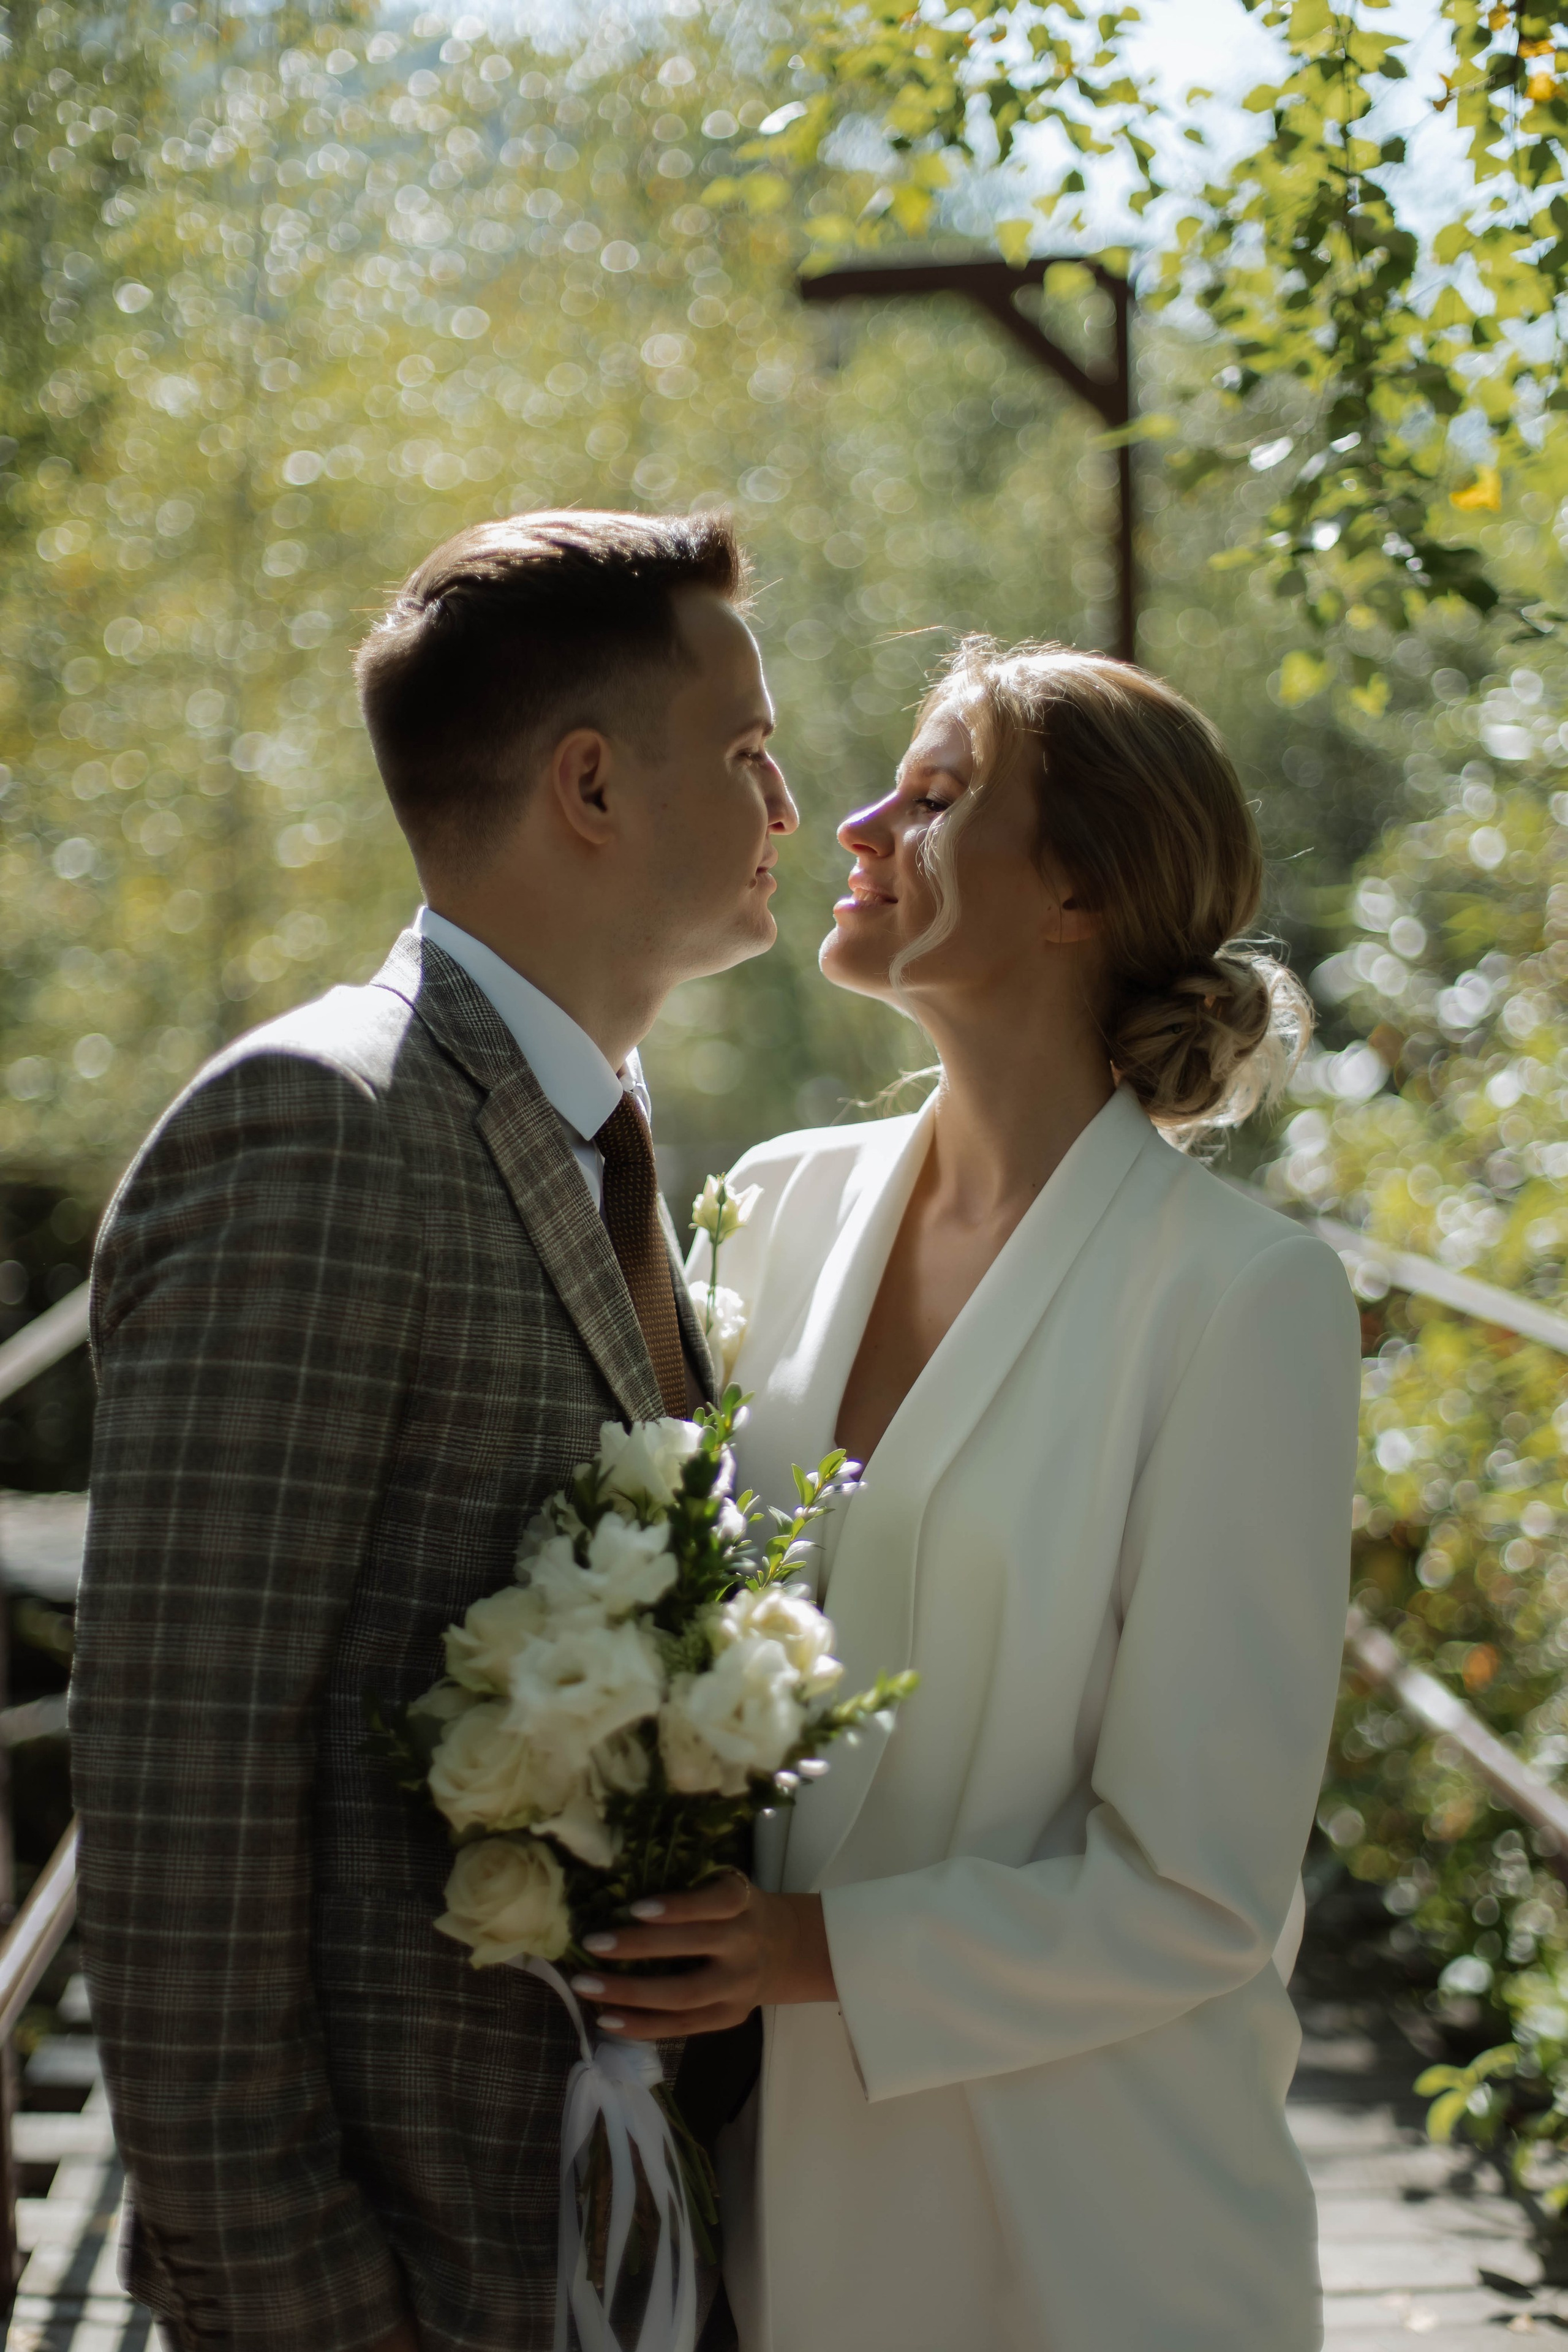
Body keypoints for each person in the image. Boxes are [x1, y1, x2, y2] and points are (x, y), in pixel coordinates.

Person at [564, 639, 1362, 2351]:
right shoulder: (769, 1208)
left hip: (1097, 2230)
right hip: (776, 2213)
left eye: (935, 798)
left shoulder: (1241, 1301)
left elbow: (1204, 1890)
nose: (856, 823)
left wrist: (800, 1950)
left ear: (1079, 888)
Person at [70, 509, 796, 2352]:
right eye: (746, 755)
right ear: (589, 786)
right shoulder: (318, 1134)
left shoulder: (596, 1137)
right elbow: (181, 1802)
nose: (790, 809)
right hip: (401, 2280)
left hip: (612, 2241)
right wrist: (294, 2309)